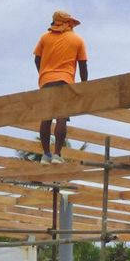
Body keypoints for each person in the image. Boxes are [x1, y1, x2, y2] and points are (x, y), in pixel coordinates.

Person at [33, 10, 88, 163]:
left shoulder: (45, 38)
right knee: (61, 118)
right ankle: (57, 154)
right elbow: (82, 66)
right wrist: (85, 87)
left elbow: (37, 59)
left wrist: (44, 74)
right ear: (69, 23)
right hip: (65, 81)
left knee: (46, 119)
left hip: (46, 81)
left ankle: (45, 154)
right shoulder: (77, 40)